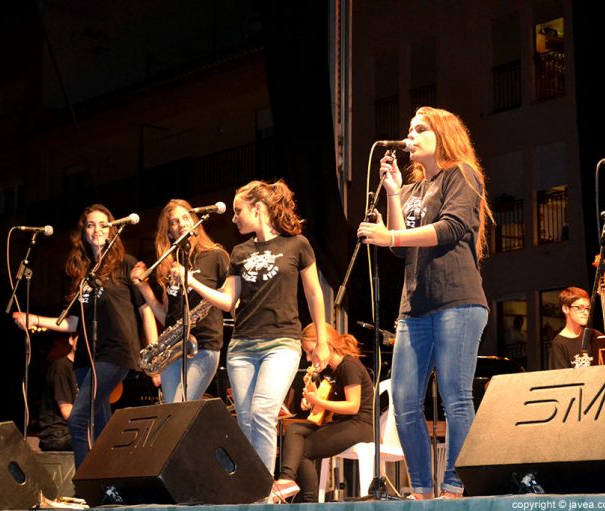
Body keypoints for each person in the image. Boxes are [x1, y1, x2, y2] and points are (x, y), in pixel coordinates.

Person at [356, 106, 492, 499]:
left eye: (419, 130)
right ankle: (420, 491)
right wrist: (395, 194)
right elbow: (400, 246)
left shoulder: (461, 174)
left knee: (455, 396)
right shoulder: (414, 189)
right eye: (408, 130)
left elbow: (450, 229)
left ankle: (454, 487)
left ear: (442, 136)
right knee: (403, 403)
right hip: (414, 307)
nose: (409, 137)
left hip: (458, 301)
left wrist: (390, 237)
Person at [171, 179, 330, 473]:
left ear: (257, 208)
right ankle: (252, 488)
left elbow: (314, 293)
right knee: (245, 421)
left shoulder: (297, 244)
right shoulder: (240, 252)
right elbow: (228, 300)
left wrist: (322, 340)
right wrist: (190, 281)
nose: (234, 218)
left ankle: (264, 493)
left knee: (263, 412)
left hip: (281, 343)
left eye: (238, 211)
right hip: (242, 346)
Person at [13, 203, 157, 469]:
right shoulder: (83, 275)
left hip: (116, 353)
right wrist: (34, 320)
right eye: (90, 225)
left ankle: (85, 488)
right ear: (84, 232)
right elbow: (73, 322)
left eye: (103, 224)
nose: (96, 229)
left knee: (79, 420)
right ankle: (108, 485)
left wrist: (155, 355)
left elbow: (146, 311)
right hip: (85, 359)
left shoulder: (125, 264)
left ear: (113, 229)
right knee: (100, 427)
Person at [130, 199, 229, 402]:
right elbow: (167, 316)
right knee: (170, 411)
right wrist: (144, 287)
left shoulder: (216, 256)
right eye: (174, 222)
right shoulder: (169, 264)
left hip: (203, 345)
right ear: (169, 232)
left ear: (195, 221)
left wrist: (191, 281)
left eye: (185, 217)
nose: (181, 224)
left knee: (179, 408)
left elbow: (230, 301)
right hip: (173, 349)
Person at [272, 323, 374, 503]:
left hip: (360, 424)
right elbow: (327, 406)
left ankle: (308, 501)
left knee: (303, 450)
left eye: (310, 351)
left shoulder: (348, 366)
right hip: (342, 422)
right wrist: (311, 403)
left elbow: (353, 406)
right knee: (295, 429)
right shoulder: (330, 370)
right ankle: (287, 479)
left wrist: (318, 401)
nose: (308, 357)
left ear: (325, 344)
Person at [549, 287, 605, 369]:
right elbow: (562, 379)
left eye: (587, 308)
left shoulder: (594, 335)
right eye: (579, 308)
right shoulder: (559, 344)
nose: (586, 313)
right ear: (566, 309)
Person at [37, 334, 77, 452]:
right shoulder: (61, 367)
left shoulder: (86, 370)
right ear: (71, 340)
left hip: (73, 431)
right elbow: (67, 412)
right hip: (57, 434)